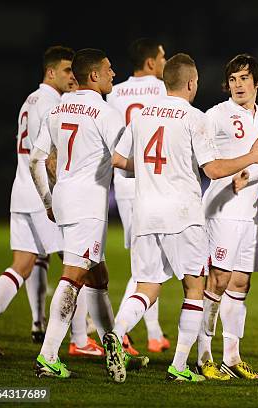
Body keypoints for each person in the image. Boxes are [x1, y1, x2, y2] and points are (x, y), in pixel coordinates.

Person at [111, 53, 258, 383]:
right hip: (183, 214)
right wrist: (252, 157)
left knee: (147, 286)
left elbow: (118, 158)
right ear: (190, 82)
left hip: (144, 212)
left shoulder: (142, 115)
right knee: (195, 287)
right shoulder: (197, 116)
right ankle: (182, 365)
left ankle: (116, 333)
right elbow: (213, 170)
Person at [0, 46, 100, 357]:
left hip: (19, 191)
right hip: (39, 195)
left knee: (22, 264)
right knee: (77, 264)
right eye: (66, 71)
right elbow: (47, 157)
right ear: (50, 72)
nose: (72, 76)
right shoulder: (50, 102)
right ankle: (79, 340)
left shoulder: (30, 100)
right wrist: (58, 193)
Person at [30, 48, 139, 380]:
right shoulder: (106, 114)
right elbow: (124, 161)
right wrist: (158, 171)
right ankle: (48, 356)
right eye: (108, 70)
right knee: (75, 274)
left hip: (63, 198)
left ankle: (112, 344)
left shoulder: (57, 108)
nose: (113, 74)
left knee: (98, 277)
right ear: (93, 75)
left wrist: (48, 201)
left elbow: (36, 160)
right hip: (88, 204)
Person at [196, 54, 258, 381]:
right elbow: (208, 164)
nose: (238, 85)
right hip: (222, 210)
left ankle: (232, 357)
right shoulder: (215, 115)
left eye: (244, 78)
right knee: (218, 280)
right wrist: (240, 169)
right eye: (232, 79)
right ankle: (202, 355)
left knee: (241, 282)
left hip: (248, 214)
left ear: (257, 82)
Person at [107, 38, 169, 355]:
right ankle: (121, 331)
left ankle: (154, 333)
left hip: (124, 182)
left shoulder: (114, 93)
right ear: (150, 63)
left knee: (147, 262)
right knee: (148, 265)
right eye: (162, 57)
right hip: (153, 182)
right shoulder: (164, 91)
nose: (165, 61)